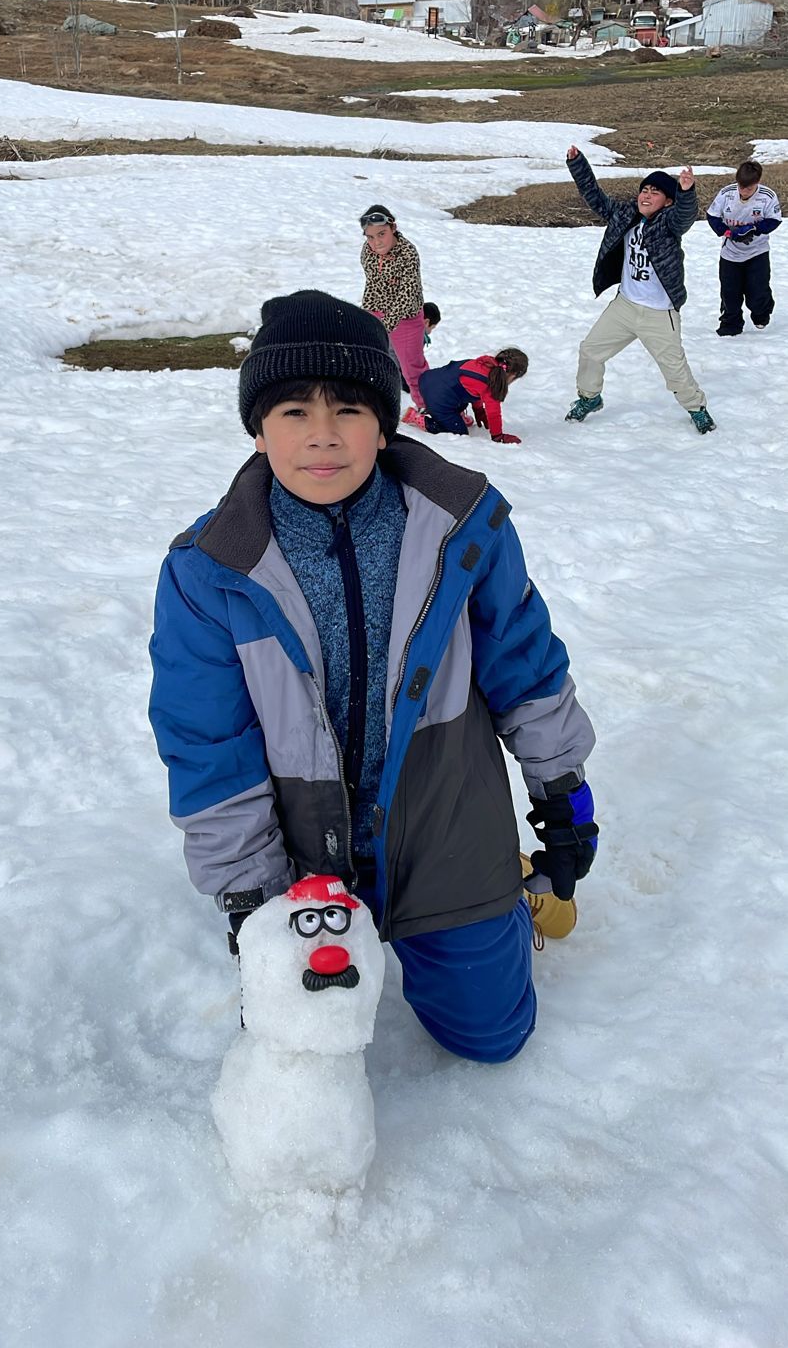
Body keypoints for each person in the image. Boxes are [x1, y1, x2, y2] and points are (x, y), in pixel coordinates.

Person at [149, 290, 597, 1066]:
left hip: (448, 823)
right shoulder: (207, 570)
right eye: (293, 412)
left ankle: (511, 893)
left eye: (349, 410)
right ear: (258, 429)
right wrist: (253, 895)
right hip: (300, 853)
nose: (322, 437)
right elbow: (205, 743)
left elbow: (526, 664)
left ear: (385, 422)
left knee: (493, 1040)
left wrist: (567, 798)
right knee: (303, 1046)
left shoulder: (461, 527)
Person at [563, 147, 716, 435]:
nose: (646, 195)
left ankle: (697, 409)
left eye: (655, 192)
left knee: (675, 371)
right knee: (590, 351)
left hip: (659, 314)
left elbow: (685, 215)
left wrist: (686, 191)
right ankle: (590, 397)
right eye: (644, 189)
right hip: (625, 307)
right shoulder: (624, 214)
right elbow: (593, 195)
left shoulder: (669, 225)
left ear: (667, 201)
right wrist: (577, 163)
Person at [358, 204, 429, 419]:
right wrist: (367, 317)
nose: (376, 242)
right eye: (370, 237)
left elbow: (406, 294)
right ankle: (372, 401)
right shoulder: (367, 251)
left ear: (393, 228)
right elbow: (371, 285)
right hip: (377, 311)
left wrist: (385, 324)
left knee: (411, 366)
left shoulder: (408, 253)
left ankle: (427, 404)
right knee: (372, 359)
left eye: (381, 234)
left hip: (405, 317)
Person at [706, 159, 781, 336]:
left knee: (757, 290)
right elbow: (712, 216)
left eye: (748, 188)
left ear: (758, 182)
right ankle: (730, 324)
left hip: (757, 252)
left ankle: (761, 313)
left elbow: (774, 220)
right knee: (730, 292)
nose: (743, 191)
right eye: (741, 186)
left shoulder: (767, 197)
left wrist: (754, 229)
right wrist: (726, 232)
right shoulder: (726, 194)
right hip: (730, 253)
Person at [417, 349, 528, 439]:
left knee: (461, 397)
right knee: (459, 434)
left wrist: (479, 411)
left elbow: (476, 389)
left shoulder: (484, 365)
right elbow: (494, 413)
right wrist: (498, 436)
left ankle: (451, 414)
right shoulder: (493, 385)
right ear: (513, 375)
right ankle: (420, 419)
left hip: (429, 380)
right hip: (438, 396)